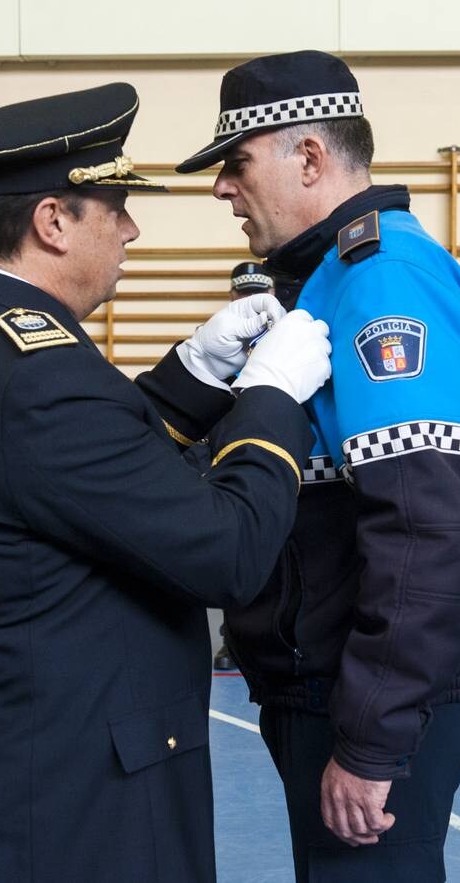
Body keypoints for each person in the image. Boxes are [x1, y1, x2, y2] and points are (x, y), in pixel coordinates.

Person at [0, 82, 333, 883]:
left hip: (6, 759)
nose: (131, 228)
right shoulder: (39, 376)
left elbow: (83, 476)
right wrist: (270, 398)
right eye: (113, 205)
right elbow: (226, 551)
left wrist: (192, 374)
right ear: (52, 222)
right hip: (64, 799)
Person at [176, 50, 460, 881]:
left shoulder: (381, 282)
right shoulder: (325, 278)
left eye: (236, 165)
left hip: (360, 687)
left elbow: (428, 525)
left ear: (310, 157)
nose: (222, 188)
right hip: (326, 667)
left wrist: (372, 736)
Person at [215, 260, 281, 672]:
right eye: (244, 293)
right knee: (236, 554)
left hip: (281, 460)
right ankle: (232, 640)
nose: (253, 301)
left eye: (260, 292)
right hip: (229, 457)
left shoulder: (289, 342)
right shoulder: (223, 344)